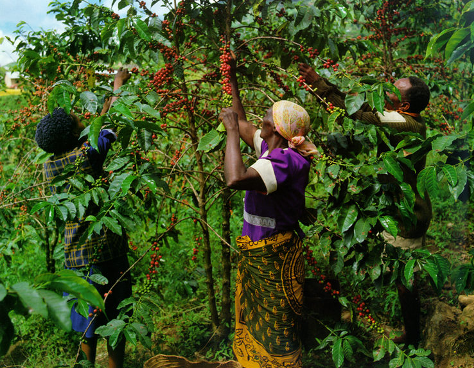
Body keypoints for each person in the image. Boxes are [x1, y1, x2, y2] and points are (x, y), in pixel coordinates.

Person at [298, 63, 432, 346]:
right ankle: (412, 333)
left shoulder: (403, 122)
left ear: (405, 104)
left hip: (406, 214)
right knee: (402, 275)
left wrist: (320, 84)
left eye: (393, 90)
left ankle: (413, 337)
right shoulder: (409, 119)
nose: (386, 90)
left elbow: (358, 114)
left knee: (405, 279)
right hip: (399, 209)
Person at [219, 58, 319, 367]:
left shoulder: (285, 161)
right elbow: (244, 119)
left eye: (267, 116)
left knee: (276, 329)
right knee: (256, 322)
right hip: (259, 250)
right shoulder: (270, 147)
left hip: (274, 255)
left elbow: (234, 178)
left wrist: (232, 132)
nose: (260, 119)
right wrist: (232, 77)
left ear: (277, 128)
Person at [35, 69, 132, 368]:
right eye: (78, 118)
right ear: (73, 134)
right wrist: (118, 86)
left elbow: (98, 131)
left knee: (86, 328)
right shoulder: (85, 156)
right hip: (107, 252)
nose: (83, 117)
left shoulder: (52, 166)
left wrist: (105, 101)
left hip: (76, 257)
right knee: (116, 323)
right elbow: (109, 126)